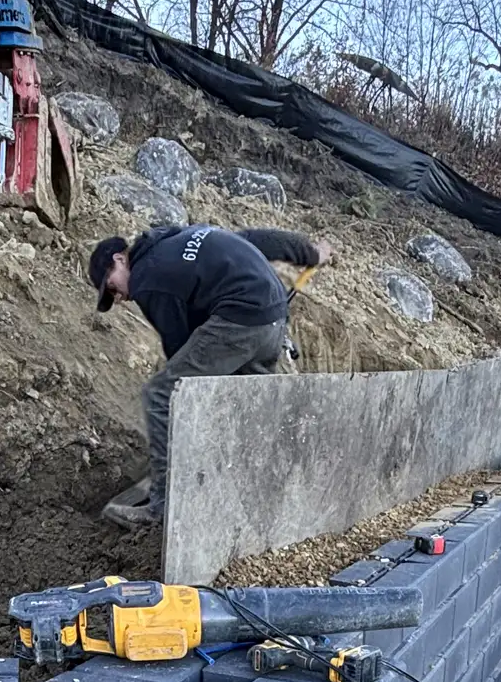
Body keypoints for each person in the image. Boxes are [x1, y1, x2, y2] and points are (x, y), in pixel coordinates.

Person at [89, 222, 334, 528]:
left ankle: (161, 509)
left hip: (240, 319)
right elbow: (256, 239)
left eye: (112, 287)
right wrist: (311, 253)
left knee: (161, 394)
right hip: (272, 320)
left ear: (120, 259)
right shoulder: (183, 237)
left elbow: (182, 357)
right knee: (247, 409)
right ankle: (252, 501)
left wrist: (180, 430)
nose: (121, 297)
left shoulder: (147, 278)